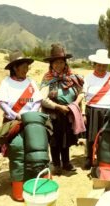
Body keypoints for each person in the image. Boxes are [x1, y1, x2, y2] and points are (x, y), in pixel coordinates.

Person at [0, 50, 42, 201]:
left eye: (27, 66)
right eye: (23, 66)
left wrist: (31, 115)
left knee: (33, 151)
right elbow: (2, 102)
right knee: (17, 152)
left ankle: (31, 183)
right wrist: (15, 115)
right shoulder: (6, 83)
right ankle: (18, 188)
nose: (26, 69)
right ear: (15, 67)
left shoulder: (31, 83)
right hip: (13, 122)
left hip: (31, 122)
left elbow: (37, 101)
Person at [40, 44, 85, 175]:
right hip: (53, 114)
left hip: (69, 114)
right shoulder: (48, 78)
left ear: (65, 63)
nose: (59, 65)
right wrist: (58, 106)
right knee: (54, 141)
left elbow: (82, 92)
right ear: (51, 64)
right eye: (56, 62)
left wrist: (76, 103)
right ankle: (56, 164)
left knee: (66, 139)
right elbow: (42, 99)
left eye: (61, 62)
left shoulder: (72, 77)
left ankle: (66, 162)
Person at [83, 49, 110, 169]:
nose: (101, 68)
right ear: (95, 64)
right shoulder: (88, 78)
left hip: (108, 111)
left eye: (104, 65)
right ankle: (89, 158)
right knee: (91, 137)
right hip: (93, 110)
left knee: (106, 137)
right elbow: (83, 94)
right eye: (99, 65)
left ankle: (103, 159)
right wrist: (82, 113)